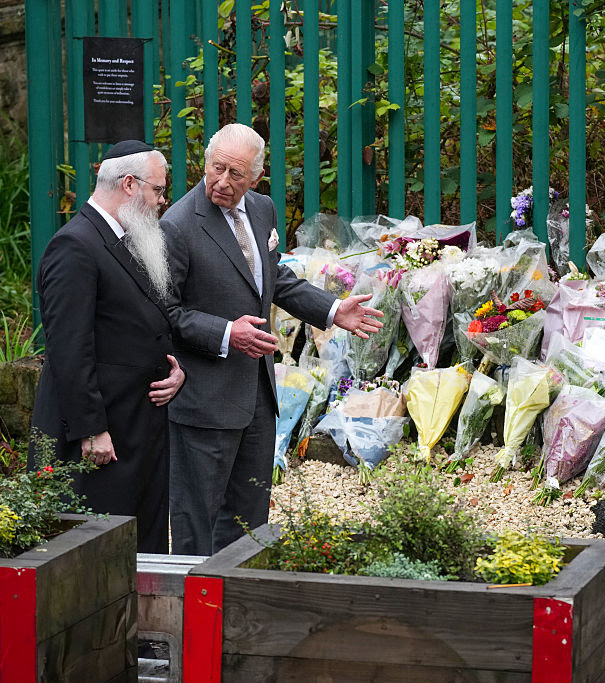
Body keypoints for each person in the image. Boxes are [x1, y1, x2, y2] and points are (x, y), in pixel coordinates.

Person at [161, 123, 383, 555]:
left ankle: (242, 592)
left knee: (250, 522)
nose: (223, 181)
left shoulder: (262, 209)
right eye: (217, 168)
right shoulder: (178, 225)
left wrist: (333, 310)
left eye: (236, 174)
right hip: (204, 400)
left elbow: (272, 277)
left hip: (258, 397)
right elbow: (167, 313)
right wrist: (228, 332)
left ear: (256, 177)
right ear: (205, 162)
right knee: (196, 523)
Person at [31, 140, 185, 554]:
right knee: (100, 555)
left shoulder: (126, 239)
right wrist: (91, 429)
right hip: (102, 439)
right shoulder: (75, 245)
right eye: (157, 190)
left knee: (142, 548)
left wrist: (175, 372)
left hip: (137, 427)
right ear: (130, 185)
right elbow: (69, 348)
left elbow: (144, 324)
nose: (162, 201)